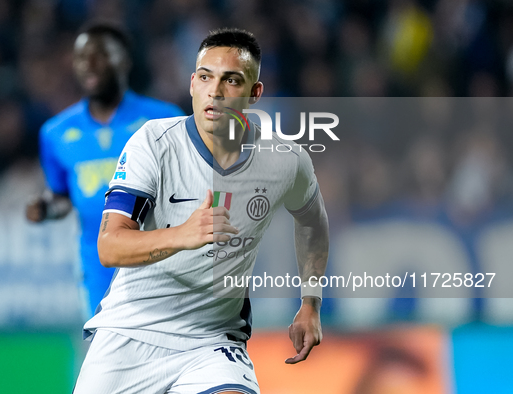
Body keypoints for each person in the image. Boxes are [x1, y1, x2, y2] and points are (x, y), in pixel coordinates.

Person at [73, 28, 329, 394]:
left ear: (255, 93)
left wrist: (311, 302)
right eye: (206, 77)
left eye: (232, 80)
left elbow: (313, 223)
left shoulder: (286, 162)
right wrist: (182, 235)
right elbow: (109, 246)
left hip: (212, 340)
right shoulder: (154, 143)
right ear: (193, 84)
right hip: (131, 332)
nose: (216, 92)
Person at [25, 22, 184, 317]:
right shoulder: (56, 132)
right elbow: (63, 197)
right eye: (81, 57)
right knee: (106, 358)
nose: (89, 65)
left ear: (124, 60)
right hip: (98, 269)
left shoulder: (166, 120)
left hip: (159, 264)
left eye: (100, 55)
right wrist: (46, 208)